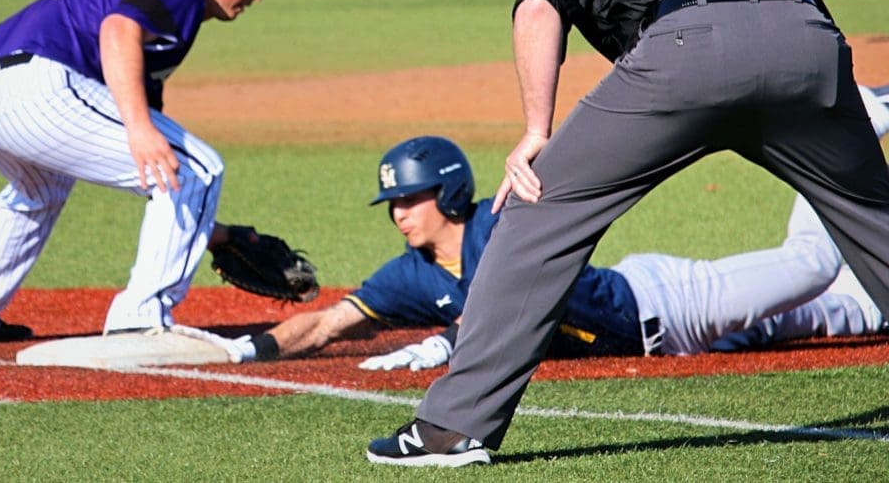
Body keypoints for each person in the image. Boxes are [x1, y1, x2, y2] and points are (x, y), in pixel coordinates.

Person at [367, 0, 889, 468]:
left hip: (689, 52)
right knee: (873, 219)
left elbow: (536, 10)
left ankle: (449, 431)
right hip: (808, 41)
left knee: (536, 208)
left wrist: (535, 131)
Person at [203, 124, 887, 369]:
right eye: (393, 205)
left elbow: (508, 304)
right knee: (828, 318)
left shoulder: (500, 227)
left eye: (408, 200)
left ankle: (845, 128)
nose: (399, 215)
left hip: (670, 306)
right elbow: (327, 325)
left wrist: (449, 341)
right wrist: (246, 349)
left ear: (445, 193)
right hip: (657, 342)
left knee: (811, 265)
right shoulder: (411, 275)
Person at [0, 0, 296, 347]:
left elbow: (155, 174)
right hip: (34, 85)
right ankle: (141, 320)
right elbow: (117, 30)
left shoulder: (174, 12)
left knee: (41, 192)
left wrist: (218, 237)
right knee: (198, 168)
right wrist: (138, 128)